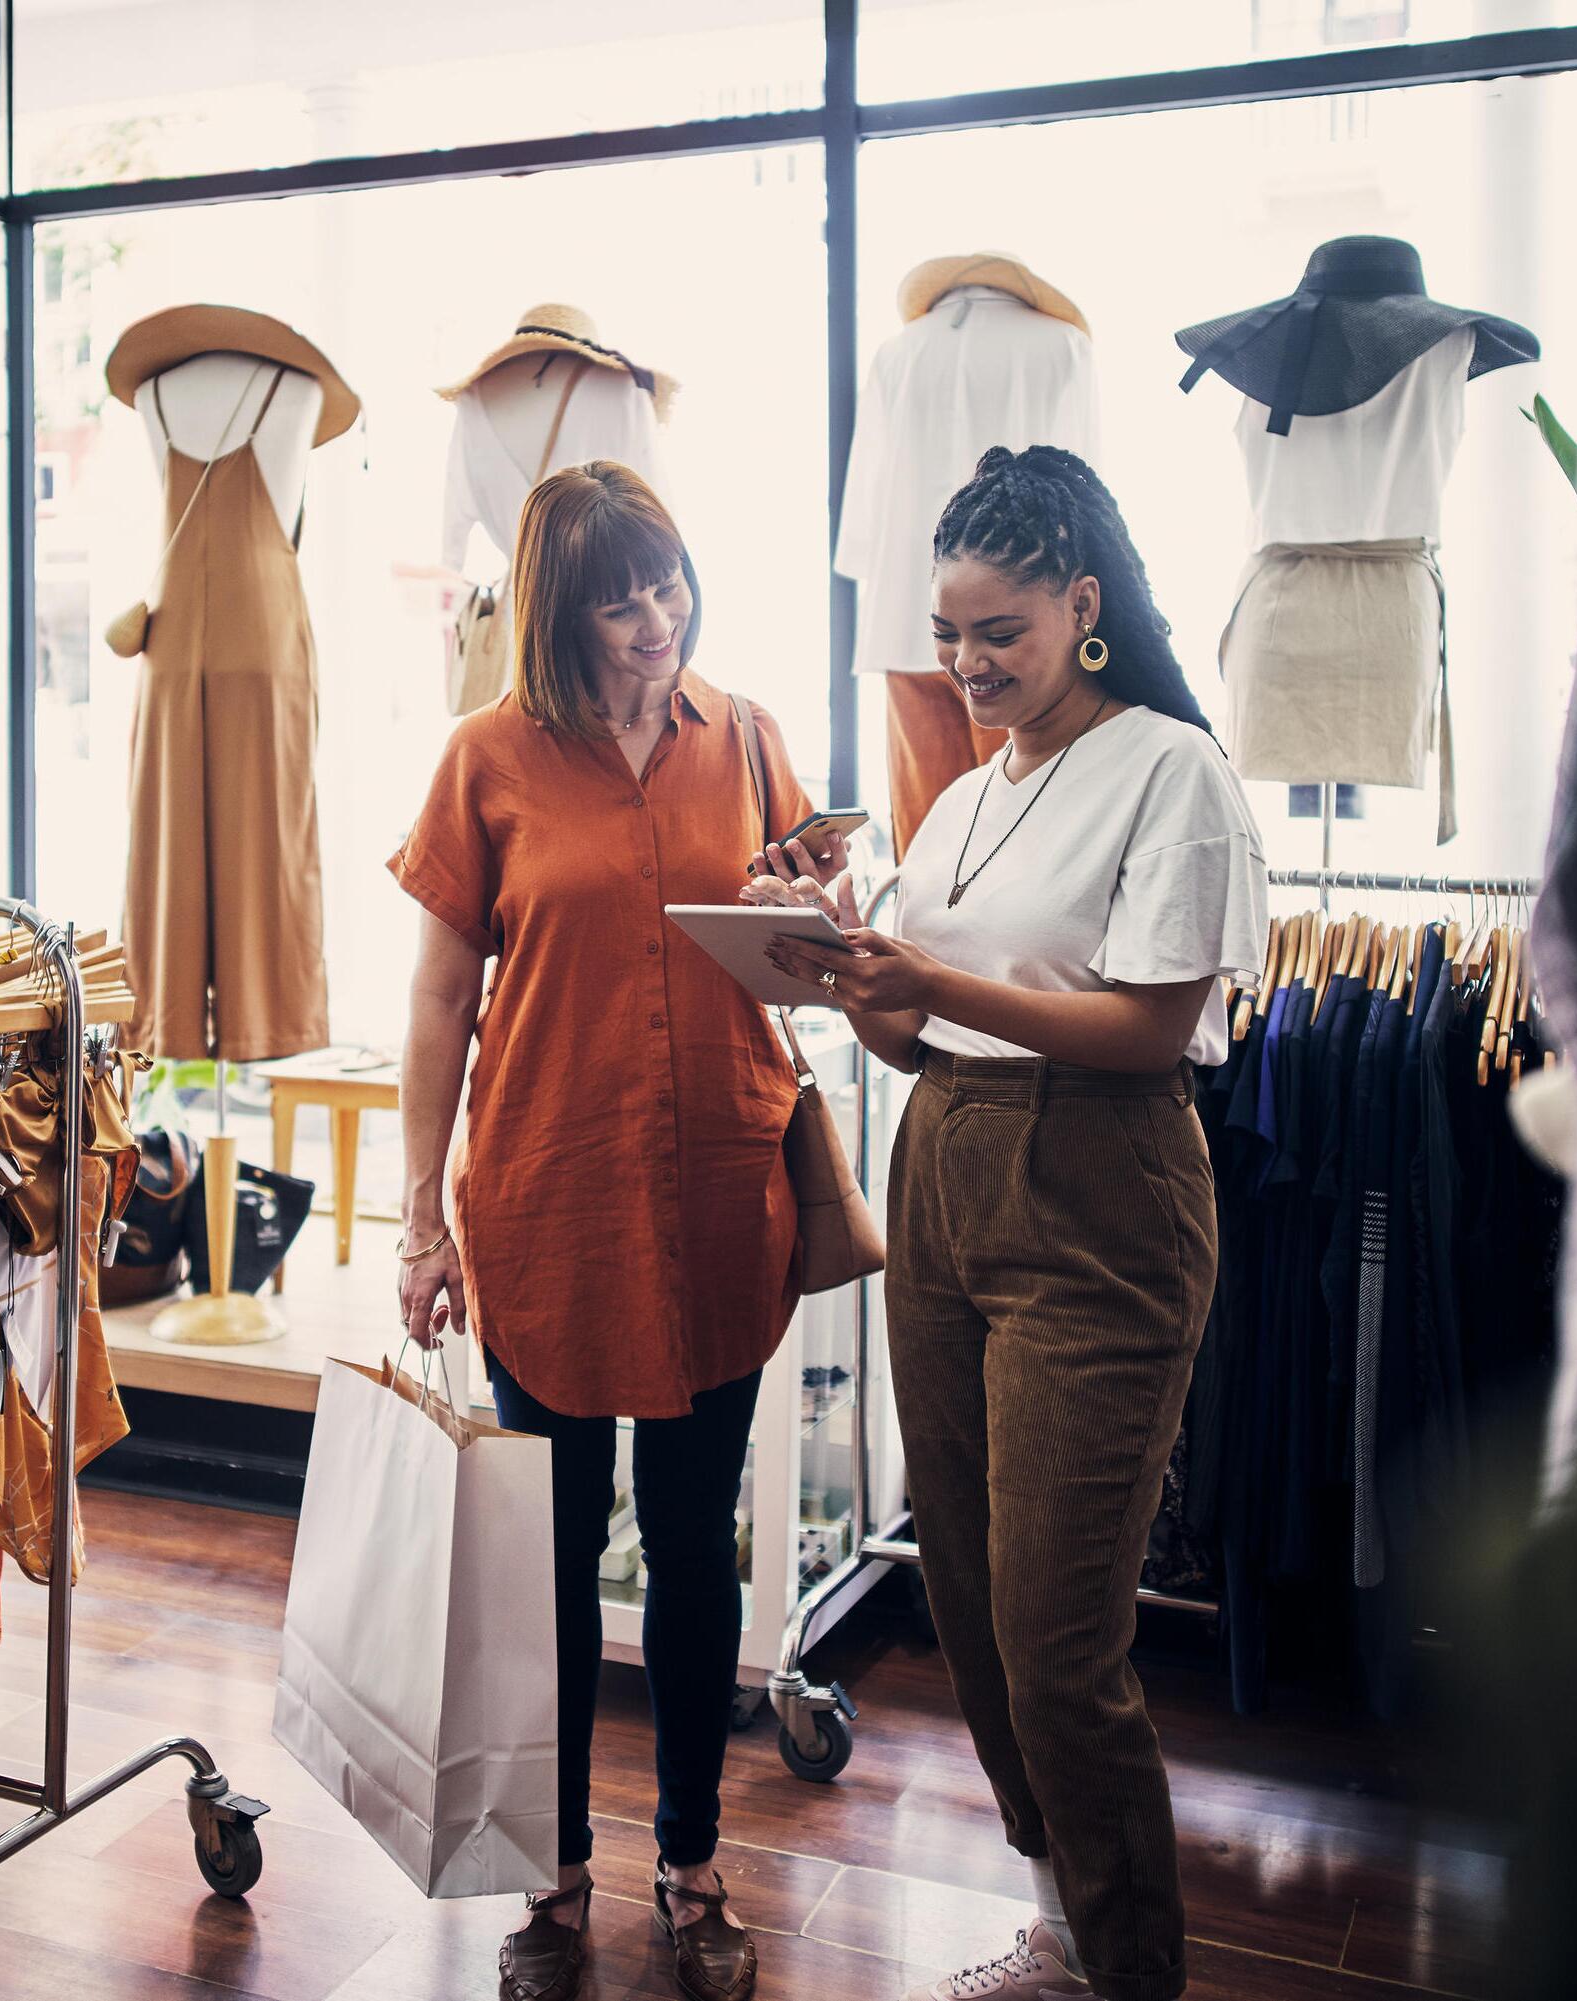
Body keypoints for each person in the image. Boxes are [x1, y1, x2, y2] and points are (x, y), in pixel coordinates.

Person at [765, 445, 1267, 2001]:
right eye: (950, 634)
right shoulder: (971, 795)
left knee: (1058, 1626)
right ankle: (1060, 1920)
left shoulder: (1170, 768)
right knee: (971, 1600)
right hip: (947, 1172)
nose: (970, 665)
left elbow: (1153, 1023)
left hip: (1101, 1188)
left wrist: (937, 987)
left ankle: (1131, 1971)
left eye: (1001, 631)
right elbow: (919, 1039)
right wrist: (846, 957)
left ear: (1082, 604)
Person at [390, 460, 846, 2001]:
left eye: (667, 582)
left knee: (698, 1544)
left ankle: (695, 1860)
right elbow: (442, 1003)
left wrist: (813, 910)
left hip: (722, 1192)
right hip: (549, 1201)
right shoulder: (486, 758)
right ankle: (558, 1873)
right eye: (616, 596)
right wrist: (418, 1221)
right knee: (557, 1558)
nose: (654, 621)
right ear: (558, 609)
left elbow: (804, 970)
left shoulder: (754, 738)